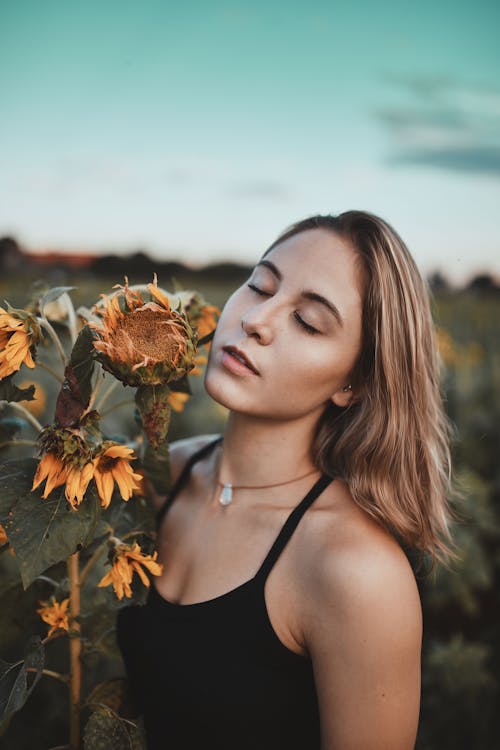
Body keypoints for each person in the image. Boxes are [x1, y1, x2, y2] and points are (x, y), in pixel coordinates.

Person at [117, 211, 454, 750]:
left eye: (309, 322)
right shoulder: (159, 475)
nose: (258, 319)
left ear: (354, 381)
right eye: (260, 285)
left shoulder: (356, 571)